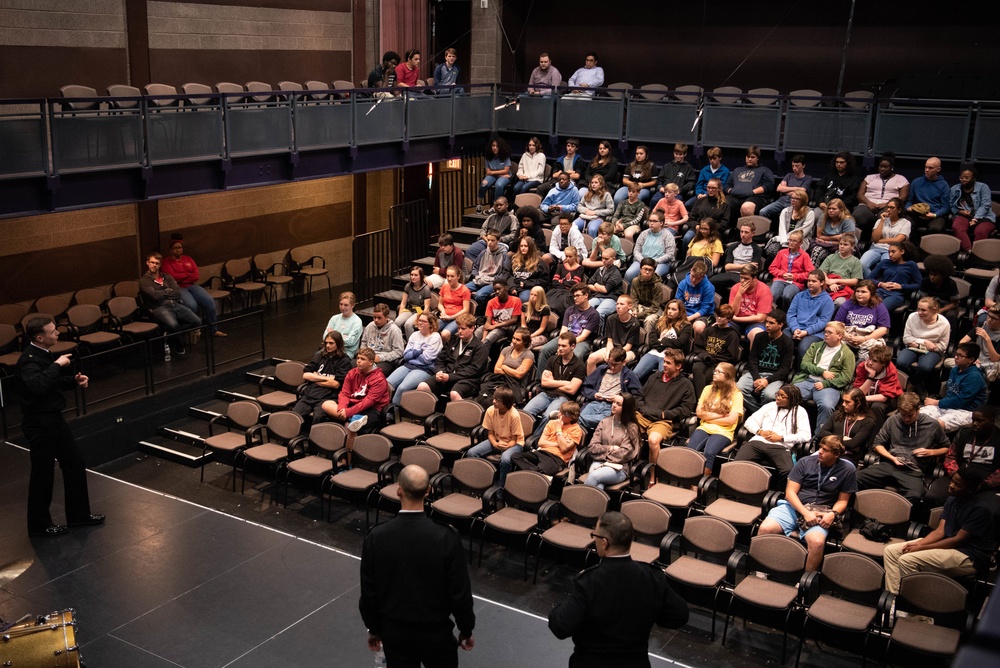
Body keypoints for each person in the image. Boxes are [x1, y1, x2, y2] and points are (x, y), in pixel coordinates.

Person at [360, 465, 475, 666]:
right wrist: (466, 629)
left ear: (399, 490)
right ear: (428, 491)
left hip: (395, 635)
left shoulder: (377, 537)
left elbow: (369, 592)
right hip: (436, 634)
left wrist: (374, 629)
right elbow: (459, 592)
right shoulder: (446, 537)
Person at [548, 511, 689, 667]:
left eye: (595, 535)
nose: (594, 540)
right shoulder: (652, 577)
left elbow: (560, 626)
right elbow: (680, 616)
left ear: (605, 542)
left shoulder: (590, 581)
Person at [17, 316, 104, 536]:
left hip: (53, 419)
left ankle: (78, 516)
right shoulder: (28, 360)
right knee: (43, 473)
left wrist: (73, 381)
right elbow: (37, 385)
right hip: (39, 423)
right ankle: (39, 525)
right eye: (53, 331)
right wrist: (57, 365)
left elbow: (50, 384)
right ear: (40, 337)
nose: (57, 333)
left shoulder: (43, 354)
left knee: (74, 463)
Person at [882, 467, 994, 594]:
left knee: (907, 560)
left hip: (968, 555)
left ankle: (917, 610)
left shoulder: (980, 510)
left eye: (957, 484)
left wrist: (921, 548)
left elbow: (957, 541)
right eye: (952, 481)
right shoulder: (952, 500)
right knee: (891, 551)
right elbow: (940, 531)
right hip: (948, 545)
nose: (951, 486)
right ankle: (895, 600)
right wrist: (919, 543)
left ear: (971, 489)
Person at [757, 435, 857, 572]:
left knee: (817, 543)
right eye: (820, 448)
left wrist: (832, 514)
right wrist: (805, 512)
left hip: (821, 512)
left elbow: (842, 500)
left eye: (826, 450)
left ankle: (805, 581)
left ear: (836, 454)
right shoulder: (805, 462)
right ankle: (761, 570)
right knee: (765, 529)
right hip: (794, 507)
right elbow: (790, 493)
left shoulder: (847, 470)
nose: (820, 452)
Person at [856, 392, 950, 502]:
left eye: (910, 415)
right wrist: (892, 458)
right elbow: (877, 444)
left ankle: (894, 515)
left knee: (915, 495)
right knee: (854, 478)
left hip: (913, 470)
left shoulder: (932, 424)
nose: (906, 419)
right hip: (890, 464)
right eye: (903, 415)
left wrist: (930, 452)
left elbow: (946, 447)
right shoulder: (893, 420)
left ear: (918, 410)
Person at [635, 349, 696, 484]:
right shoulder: (655, 377)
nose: (664, 365)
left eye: (668, 363)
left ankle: (653, 476)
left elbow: (686, 409)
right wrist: (643, 408)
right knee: (625, 429)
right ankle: (627, 469)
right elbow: (639, 396)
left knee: (653, 440)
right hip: (643, 415)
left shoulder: (686, 384)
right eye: (664, 361)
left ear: (678, 366)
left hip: (663, 421)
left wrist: (665, 414)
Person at [322, 347, 390, 456]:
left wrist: (348, 412)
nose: (358, 361)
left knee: (349, 426)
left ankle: (346, 461)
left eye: (362, 359)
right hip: (352, 405)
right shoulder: (352, 373)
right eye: (358, 358)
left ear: (371, 362)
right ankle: (353, 418)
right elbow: (344, 393)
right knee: (326, 404)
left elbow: (369, 402)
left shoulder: (379, 379)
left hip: (372, 410)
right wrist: (343, 409)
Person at [926, 407, 1000, 506]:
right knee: (933, 496)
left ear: (992, 421)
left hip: (984, 484)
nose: (975, 423)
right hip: (958, 477)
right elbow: (950, 457)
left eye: (980, 421)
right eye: (973, 420)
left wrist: (983, 485)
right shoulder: (964, 433)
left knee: (987, 508)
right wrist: (955, 476)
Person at [735, 384, 811, 481]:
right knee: (736, 464)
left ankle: (779, 495)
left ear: (792, 399)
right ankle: (734, 493)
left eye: (782, 396)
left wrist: (782, 438)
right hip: (758, 442)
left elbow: (806, 435)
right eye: (777, 394)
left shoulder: (800, 412)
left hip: (780, 446)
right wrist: (760, 431)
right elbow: (750, 421)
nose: (778, 398)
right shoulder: (770, 406)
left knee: (788, 471)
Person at [793, 321, 856, 432]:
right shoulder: (815, 346)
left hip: (830, 386)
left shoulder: (847, 354)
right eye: (825, 332)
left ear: (839, 336)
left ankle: (819, 438)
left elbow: (846, 377)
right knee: (788, 396)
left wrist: (825, 383)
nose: (825, 334)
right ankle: (790, 431)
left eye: (829, 332)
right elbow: (804, 365)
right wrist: (822, 372)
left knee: (827, 406)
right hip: (808, 380)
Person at [161, 234, 226, 337]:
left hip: (192, 285)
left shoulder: (188, 259)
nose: (178, 250)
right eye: (175, 248)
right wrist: (187, 274)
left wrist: (182, 276)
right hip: (179, 288)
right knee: (192, 305)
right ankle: (194, 332)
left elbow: (195, 276)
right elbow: (172, 278)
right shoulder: (166, 262)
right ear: (171, 250)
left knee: (210, 302)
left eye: (180, 247)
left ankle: (213, 330)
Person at [139, 251, 202, 355]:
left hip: (175, 304)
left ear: (160, 264)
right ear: (147, 263)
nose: (154, 265)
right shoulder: (144, 280)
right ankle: (179, 347)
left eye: (157, 263)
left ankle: (169, 335)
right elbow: (153, 296)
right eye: (152, 262)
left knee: (197, 321)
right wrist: (167, 291)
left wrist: (162, 294)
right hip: (159, 307)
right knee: (174, 325)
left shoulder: (167, 277)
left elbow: (177, 293)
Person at [688, 362, 743, 477]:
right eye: (715, 370)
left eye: (719, 372)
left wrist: (708, 416)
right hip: (704, 427)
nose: (714, 373)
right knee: (691, 450)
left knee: (709, 452)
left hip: (724, 431)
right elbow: (699, 413)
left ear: (727, 376)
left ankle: (703, 484)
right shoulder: (707, 389)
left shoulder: (736, 395)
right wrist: (720, 416)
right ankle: (692, 481)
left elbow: (731, 420)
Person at [419, 314, 489, 401]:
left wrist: (450, 377)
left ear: (472, 328)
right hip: (447, 375)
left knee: (454, 393)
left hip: (467, 380)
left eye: (463, 329)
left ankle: (461, 414)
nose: (460, 331)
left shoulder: (480, 347)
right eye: (458, 328)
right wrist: (440, 371)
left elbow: (474, 370)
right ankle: (425, 412)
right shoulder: (453, 340)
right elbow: (440, 359)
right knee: (422, 386)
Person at [920, 342, 988, 432]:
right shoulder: (955, 369)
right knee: (918, 416)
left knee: (935, 425)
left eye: (960, 355)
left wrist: (937, 402)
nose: (956, 357)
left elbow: (960, 401)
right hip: (948, 406)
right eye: (956, 354)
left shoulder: (974, 377)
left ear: (971, 359)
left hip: (966, 411)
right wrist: (940, 403)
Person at [535, 286, 601, 378]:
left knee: (576, 355)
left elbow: (583, 336)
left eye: (578, 296)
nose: (575, 298)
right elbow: (563, 329)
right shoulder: (570, 310)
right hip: (565, 337)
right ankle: (540, 380)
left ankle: (571, 383)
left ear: (586, 295)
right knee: (545, 350)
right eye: (574, 296)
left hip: (582, 342)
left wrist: (567, 347)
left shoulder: (593, 314)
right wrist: (561, 343)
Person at [466, 386, 525, 487]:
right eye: (494, 398)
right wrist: (495, 444)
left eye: (497, 400)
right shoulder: (490, 410)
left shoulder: (514, 415)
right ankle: (479, 484)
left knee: (506, 460)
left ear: (505, 403)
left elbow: (514, 440)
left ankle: (501, 489)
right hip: (497, 440)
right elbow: (490, 433)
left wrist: (505, 446)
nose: (493, 401)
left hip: (514, 444)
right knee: (471, 453)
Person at [737, 309, 794, 413]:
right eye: (766, 322)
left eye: (771, 323)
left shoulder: (787, 342)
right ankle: (759, 412)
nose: (767, 325)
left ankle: (761, 414)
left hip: (774, 376)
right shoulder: (759, 337)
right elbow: (752, 359)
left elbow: (785, 369)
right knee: (738, 388)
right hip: (756, 373)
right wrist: (757, 378)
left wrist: (767, 380)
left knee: (769, 395)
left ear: (780, 324)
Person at [522, 332, 586, 422]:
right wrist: (565, 383)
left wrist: (552, 382)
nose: (560, 348)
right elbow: (544, 383)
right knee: (525, 412)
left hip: (564, 397)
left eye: (564, 346)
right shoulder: (552, 359)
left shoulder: (580, 365)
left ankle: (538, 436)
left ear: (572, 346)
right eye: (559, 345)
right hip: (546, 393)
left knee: (548, 416)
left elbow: (572, 390)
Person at [584, 394, 642, 490]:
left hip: (619, 467)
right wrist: (611, 448)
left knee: (594, 476)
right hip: (599, 462)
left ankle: (579, 503)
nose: (614, 405)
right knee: (599, 485)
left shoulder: (632, 428)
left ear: (626, 408)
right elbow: (592, 448)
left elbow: (625, 454)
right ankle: (595, 504)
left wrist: (603, 452)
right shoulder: (604, 422)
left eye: (618, 404)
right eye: (614, 402)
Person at [293, 331, 354, 421]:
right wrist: (327, 378)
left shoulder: (344, 360)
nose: (328, 346)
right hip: (309, 395)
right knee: (294, 416)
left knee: (318, 418)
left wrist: (314, 379)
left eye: (331, 343)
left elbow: (335, 384)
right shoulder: (319, 356)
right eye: (326, 343)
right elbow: (305, 375)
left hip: (327, 398)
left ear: (338, 344)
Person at [896, 296, 951, 397]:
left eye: (923, 310)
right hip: (914, 347)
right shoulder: (912, 317)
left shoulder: (944, 323)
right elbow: (906, 338)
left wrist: (920, 344)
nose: (919, 312)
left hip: (933, 351)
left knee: (924, 367)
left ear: (934, 310)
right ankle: (918, 384)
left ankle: (912, 383)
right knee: (901, 362)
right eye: (918, 309)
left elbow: (943, 346)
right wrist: (924, 342)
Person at [385, 312, 443, 404]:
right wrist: (420, 351)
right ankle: (380, 408)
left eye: (424, 321)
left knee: (402, 388)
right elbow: (406, 355)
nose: (420, 323)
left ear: (431, 324)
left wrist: (413, 354)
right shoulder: (414, 335)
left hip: (424, 369)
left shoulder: (435, 337)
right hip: (408, 366)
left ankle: (392, 413)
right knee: (386, 384)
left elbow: (427, 359)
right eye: (419, 320)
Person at [511, 401, 583, 475]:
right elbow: (541, 443)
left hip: (556, 458)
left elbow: (564, 449)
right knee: (515, 456)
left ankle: (536, 474)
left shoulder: (576, 429)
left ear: (572, 417)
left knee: (542, 470)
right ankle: (536, 473)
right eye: (559, 411)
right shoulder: (551, 423)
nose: (559, 415)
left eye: (562, 414)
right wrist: (559, 444)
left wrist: (559, 429)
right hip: (541, 452)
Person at [578, 347, 641, 431]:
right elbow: (586, 387)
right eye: (610, 363)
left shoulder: (629, 375)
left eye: (616, 364)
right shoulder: (601, 370)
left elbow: (636, 396)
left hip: (612, 406)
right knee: (581, 420)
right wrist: (594, 394)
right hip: (595, 402)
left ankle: (577, 419)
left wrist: (619, 398)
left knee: (579, 420)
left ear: (624, 362)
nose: (612, 367)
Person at [633, 299, 693, 382]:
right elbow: (652, 340)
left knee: (664, 379)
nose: (670, 311)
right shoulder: (660, 321)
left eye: (673, 309)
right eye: (668, 308)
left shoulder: (686, 326)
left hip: (671, 356)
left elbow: (680, 343)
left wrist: (662, 341)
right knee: (634, 375)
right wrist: (665, 343)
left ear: (680, 313)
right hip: (654, 352)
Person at [817, 387, 877, 466]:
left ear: (858, 403)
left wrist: (830, 438)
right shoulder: (837, 414)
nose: (843, 404)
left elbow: (853, 443)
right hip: (827, 451)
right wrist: (842, 438)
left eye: (847, 402)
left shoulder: (868, 421)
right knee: (808, 463)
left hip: (849, 457)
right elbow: (821, 433)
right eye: (843, 401)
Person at [690, 304, 741, 397]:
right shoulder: (710, 330)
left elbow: (731, 356)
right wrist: (705, 355)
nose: (718, 318)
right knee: (696, 368)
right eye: (717, 315)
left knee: (708, 376)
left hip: (719, 363)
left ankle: (701, 400)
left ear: (729, 319)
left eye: (722, 316)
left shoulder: (732, 335)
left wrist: (712, 358)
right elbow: (698, 346)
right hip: (705, 359)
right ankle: (701, 400)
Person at [476, 327, 535, 408]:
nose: (514, 341)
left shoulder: (528, 355)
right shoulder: (506, 349)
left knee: (497, 399)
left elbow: (518, 375)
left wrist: (504, 367)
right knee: (483, 396)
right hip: (500, 380)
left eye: (518, 340)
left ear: (525, 342)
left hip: (516, 384)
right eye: (513, 338)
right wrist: (512, 371)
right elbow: (496, 370)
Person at [852, 153, 909, 234]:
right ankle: (859, 241)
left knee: (886, 218)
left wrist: (887, 204)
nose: (882, 169)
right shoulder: (869, 178)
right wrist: (869, 203)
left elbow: (903, 197)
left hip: (888, 205)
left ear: (892, 168)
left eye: (886, 167)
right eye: (880, 166)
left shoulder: (901, 179)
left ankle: (881, 241)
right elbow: (860, 195)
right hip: (868, 204)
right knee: (858, 216)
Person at [835, 279, 890, 361]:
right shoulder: (848, 304)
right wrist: (846, 335)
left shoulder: (879, 306)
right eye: (857, 291)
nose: (859, 294)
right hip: (848, 336)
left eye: (863, 292)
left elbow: (883, 329)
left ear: (871, 293)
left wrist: (864, 339)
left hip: (868, 337)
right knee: (837, 352)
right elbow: (837, 323)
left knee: (867, 358)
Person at [786, 269, 835, 359]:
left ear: (822, 282)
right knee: (781, 339)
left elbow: (823, 321)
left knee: (804, 347)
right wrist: (794, 328)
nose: (810, 283)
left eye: (813, 281)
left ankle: (800, 371)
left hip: (815, 333)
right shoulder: (799, 296)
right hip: (795, 328)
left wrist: (806, 332)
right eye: (809, 281)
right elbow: (790, 314)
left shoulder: (827, 300)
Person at [850, 344, 903, 425]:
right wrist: (871, 377)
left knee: (877, 406)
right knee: (851, 401)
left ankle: (876, 436)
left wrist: (862, 399)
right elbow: (859, 393)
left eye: (874, 361)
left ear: (883, 363)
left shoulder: (890, 370)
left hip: (890, 399)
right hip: (867, 396)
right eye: (870, 359)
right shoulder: (862, 366)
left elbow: (884, 397)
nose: (870, 363)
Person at [587, 295, 641, 374]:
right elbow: (609, 340)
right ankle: (591, 384)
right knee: (591, 358)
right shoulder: (611, 319)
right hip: (612, 348)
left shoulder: (635, 324)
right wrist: (609, 352)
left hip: (627, 351)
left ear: (630, 306)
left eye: (622, 304)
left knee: (618, 362)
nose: (618, 306)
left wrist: (613, 356)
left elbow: (628, 346)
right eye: (617, 304)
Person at [860, 198, 910, 278]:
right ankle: (872, 284)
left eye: (892, 208)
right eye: (888, 207)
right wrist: (882, 221)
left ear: (899, 210)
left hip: (891, 250)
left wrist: (880, 240)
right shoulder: (880, 220)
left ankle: (876, 285)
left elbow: (898, 240)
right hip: (875, 248)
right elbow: (875, 238)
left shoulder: (906, 223)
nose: (889, 210)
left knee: (885, 268)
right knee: (862, 264)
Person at [950, 164, 996, 251]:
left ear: (974, 178)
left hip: (984, 216)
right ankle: (970, 251)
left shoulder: (983, 187)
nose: (964, 180)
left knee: (981, 231)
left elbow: (985, 205)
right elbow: (951, 205)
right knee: (957, 227)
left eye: (967, 178)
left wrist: (975, 219)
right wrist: (959, 211)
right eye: (961, 177)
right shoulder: (954, 189)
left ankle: (978, 253)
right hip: (964, 215)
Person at [723, 145, 775, 219]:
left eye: (752, 157)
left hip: (755, 197)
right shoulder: (737, 170)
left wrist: (753, 192)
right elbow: (727, 185)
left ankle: (748, 230)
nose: (750, 159)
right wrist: (731, 191)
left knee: (746, 208)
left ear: (757, 158)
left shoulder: (764, 170)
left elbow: (769, 185)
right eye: (748, 157)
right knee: (720, 204)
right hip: (735, 196)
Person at [713, 219, 764, 293]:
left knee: (745, 286)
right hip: (729, 274)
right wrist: (746, 265)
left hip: (744, 276)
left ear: (753, 233)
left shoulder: (757, 249)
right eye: (741, 231)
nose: (743, 234)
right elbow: (727, 267)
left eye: (746, 232)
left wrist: (736, 266)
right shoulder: (732, 246)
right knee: (709, 283)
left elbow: (752, 269)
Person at [868, 240, 921, 313]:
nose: (890, 254)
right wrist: (881, 284)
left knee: (881, 309)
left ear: (902, 251)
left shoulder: (911, 265)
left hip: (896, 295)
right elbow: (869, 278)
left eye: (893, 252)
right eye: (889, 252)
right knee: (868, 305)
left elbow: (919, 284)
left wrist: (901, 286)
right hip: (880, 291)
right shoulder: (885, 262)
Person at [764, 188, 815, 262]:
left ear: (803, 200)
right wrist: (784, 241)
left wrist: (789, 240)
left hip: (801, 240)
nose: (793, 200)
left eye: (796, 198)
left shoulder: (810, 213)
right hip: (783, 239)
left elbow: (803, 231)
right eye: (792, 198)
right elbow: (782, 228)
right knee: (772, 250)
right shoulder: (785, 211)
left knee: (790, 254)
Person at [466, 231, 511, 313]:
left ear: (498, 241)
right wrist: (476, 276)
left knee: (479, 295)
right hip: (479, 279)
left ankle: (478, 315)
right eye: (488, 240)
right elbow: (475, 267)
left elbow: (505, 273)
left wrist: (495, 280)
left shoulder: (504, 255)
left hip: (492, 282)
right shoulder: (483, 252)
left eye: (492, 240)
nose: (489, 243)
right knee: (463, 289)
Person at [624, 210, 675, 282]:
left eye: (654, 221)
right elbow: (636, 250)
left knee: (653, 276)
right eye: (650, 221)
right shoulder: (644, 234)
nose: (651, 223)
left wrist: (653, 262)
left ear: (661, 223)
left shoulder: (668, 236)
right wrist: (643, 260)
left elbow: (670, 254)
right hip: (642, 261)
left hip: (660, 263)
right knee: (629, 274)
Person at [728, 263, 772, 346]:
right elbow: (732, 313)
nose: (742, 281)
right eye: (741, 277)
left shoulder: (764, 290)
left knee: (757, 335)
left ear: (754, 278)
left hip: (755, 322)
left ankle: (752, 359)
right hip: (736, 321)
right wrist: (739, 294)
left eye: (746, 278)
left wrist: (737, 319)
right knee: (720, 328)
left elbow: (761, 318)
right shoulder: (736, 288)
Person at [759, 154, 812, 222]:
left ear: (803, 166)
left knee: (786, 216)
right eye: (793, 166)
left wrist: (785, 189)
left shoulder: (808, 178)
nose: (794, 168)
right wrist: (796, 189)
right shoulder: (789, 175)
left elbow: (802, 191)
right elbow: (779, 188)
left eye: (797, 166)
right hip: (781, 201)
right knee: (763, 211)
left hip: (794, 203)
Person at [905, 156, 950, 233]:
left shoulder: (944, 185)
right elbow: (910, 200)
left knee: (935, 228)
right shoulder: (916, 182)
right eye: (925, 167)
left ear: (938, 169)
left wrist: (934, 215)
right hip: (916, 214)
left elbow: (945, 207)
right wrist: (908, 208)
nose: (927, 170)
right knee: (905, 225)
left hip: (934, 215)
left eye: (931, 168)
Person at [467, 196, 517, 263]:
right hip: (486, 241)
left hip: (500, 243)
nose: (498, 207)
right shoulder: (491, 216)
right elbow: (483, 229)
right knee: (471, 251)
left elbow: (514, 234)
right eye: (497, 205)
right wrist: (484, 237)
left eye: (501, 205)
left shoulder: (512, 218)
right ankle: (477, 268)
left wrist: (501, 239)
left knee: (497, 256)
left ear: (507, 205)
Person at [813, 151, 861, 217]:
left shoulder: (854, 180)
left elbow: (852, 198)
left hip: (842, 209)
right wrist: (820, 202)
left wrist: (837, 206)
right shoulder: (829, 176)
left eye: (841, 162)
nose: (838, 164)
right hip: (825, 206)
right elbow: (819, 190)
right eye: (837, 162)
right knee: (815, 215)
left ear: (848, 163)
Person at [918, 254, 960, 330]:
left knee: (951, 316)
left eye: (935, 275)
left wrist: (940, 310)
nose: (932, 277)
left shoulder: (951, 283)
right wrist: (930, 309)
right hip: (930, 305)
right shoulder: (925, 281)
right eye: (930, 274)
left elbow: (955, 303)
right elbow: (923, 299)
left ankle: (951, 339)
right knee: (920, 312)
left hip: (947, 307)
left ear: (943, 275)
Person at [362, 303, 405, 376]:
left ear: (387, 317)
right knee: (351, 366)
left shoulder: (394, 330)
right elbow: (364, 342)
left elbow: (399, 352)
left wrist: (380, 358)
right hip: (368, 357)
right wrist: (363, 354)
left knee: (373, 373)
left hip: (385, 361)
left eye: (379, 318)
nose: (376, 320)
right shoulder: (370, 326)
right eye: (374, 317)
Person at [649, 142, 697, 208]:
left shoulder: (688, 168)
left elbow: (691, 183)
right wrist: (660, 187)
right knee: (654, 200)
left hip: (677, 194)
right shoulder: (667, 166)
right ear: (673, 153)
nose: (678, 156)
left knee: (674, 203)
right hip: (664, 192)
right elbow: (659, 180)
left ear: (685, 154)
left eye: (680, 154)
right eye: (676, 154)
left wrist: (680, 190)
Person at [478, 279, 522, 347]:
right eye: (495, 290)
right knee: (473, 337)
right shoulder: (491, 302)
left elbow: (514, 320)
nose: (497, 292)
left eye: (499, 289)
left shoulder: (516, 300)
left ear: (506, 288)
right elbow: (488, 323)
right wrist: (484, 337)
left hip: (504, 329)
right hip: (492, 326)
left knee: (487, 341)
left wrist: (494, 326)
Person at [676, 260, 716, 336]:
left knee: (698, 327)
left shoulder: (709, 287)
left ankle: (696, 347)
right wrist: (681, 315)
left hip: (702, 315)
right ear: (691, 270)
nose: (694, 280)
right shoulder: (683, 283)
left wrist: (689, 318)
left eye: (698, 278)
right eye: (693, 276)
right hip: (685, 312)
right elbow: (678, 302)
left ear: (703, 276)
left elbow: (705, 308)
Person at [546, 244, 586, 316]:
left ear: (575, 256)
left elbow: (575, 283)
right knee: (547, 299)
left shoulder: (580, 268)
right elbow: (554, 281)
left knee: (562, 301)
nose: (568, 258)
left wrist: (561, 281)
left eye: (570, 256)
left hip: (569, 292)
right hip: (557, 290)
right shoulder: (561, 266)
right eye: (566, 256)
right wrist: (565, 283)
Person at [819, 234, 863, 298]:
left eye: (845, 244)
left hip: (843, 287)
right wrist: (830, 282)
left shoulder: (856, 261)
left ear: (852, 246)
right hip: (828, 284)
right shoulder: (831, 257)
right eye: (840, 244)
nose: (842, 246)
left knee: (839, 302)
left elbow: (855, 281)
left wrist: (836, 281)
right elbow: (822, 272)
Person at [586, 247, 623, 322]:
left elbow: (605, 290)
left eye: (606, 259)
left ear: (613, 259)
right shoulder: (600, 269)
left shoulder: (616, 273)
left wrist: (596, 285)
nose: (603, 261)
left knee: (598, 313)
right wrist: (599, 288)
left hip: (611, 298)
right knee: (585, 309)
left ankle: (599, 333)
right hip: (598, 296)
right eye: (602, 258)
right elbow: (589, 284)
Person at [323, 291, 363, 359]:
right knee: (318, 356)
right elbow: (325, 337)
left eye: (346, 305)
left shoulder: (357, 321)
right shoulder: (334, 318)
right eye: (341, 304)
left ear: (352, 305)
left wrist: (332, 335)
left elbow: (350, 342)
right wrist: (342, 337)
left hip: (346, 353)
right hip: (331, 350)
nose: (342, 307)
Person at [509, 237, 549, 302]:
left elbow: (544, 280)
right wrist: (511, 287)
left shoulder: (539, 262)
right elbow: (507, 274)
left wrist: (526, 283)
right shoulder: (514, 259)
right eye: (521, 246)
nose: (523, 248)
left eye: (526, 246)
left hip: (527, 288)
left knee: (524, 298)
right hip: (513, 286)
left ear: (531, 247)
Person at [628, 258, 664, 330]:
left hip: (653, 309)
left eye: (650, 270)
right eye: (645, 269)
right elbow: (633, 299)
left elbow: (655, 307)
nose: (647, 272)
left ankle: (647, 341)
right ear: (640, 269)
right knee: (627, 313)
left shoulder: (658, 285)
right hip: (639, 307)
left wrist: (639, 315)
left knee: (649, 320)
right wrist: (634, 310)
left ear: (653, 271)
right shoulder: (635, 281)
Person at [395, 266, 432, 337]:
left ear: (421, 276)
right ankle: (400, 342)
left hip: (420, 311)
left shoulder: (426, 289)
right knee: (397, 322)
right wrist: (400, 315)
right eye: (411, 275)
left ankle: (411, 344)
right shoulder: (408, 286)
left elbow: (426, 308)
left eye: (415, 275)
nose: (413, 277)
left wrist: (420, 319)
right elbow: (403, 303)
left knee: (408, 324)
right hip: (410, 309)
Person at [438, 265, 472, 342]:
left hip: (457, 319)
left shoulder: (465, 290)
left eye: (452, 276)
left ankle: (444, 352)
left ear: (458, 276)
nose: (449, 279)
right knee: (429, 328)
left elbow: (466, 310)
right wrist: (443, 312)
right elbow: (440, 304)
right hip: (445, 317)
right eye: (448, 276)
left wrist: (451, 317)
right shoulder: (444, 287)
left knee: (444, 334)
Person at [478, 137, 512, 204]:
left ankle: (496, 204)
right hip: (498, 176)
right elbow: (488, 171)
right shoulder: (488, 157)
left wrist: (493, 172)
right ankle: (479, 203)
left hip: (502, 177)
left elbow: (506, 171)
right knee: (483, 184)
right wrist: (499, 174)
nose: (495, 148)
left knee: (499, 185)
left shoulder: (505, 156)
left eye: (497, 146)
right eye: (493, 146)